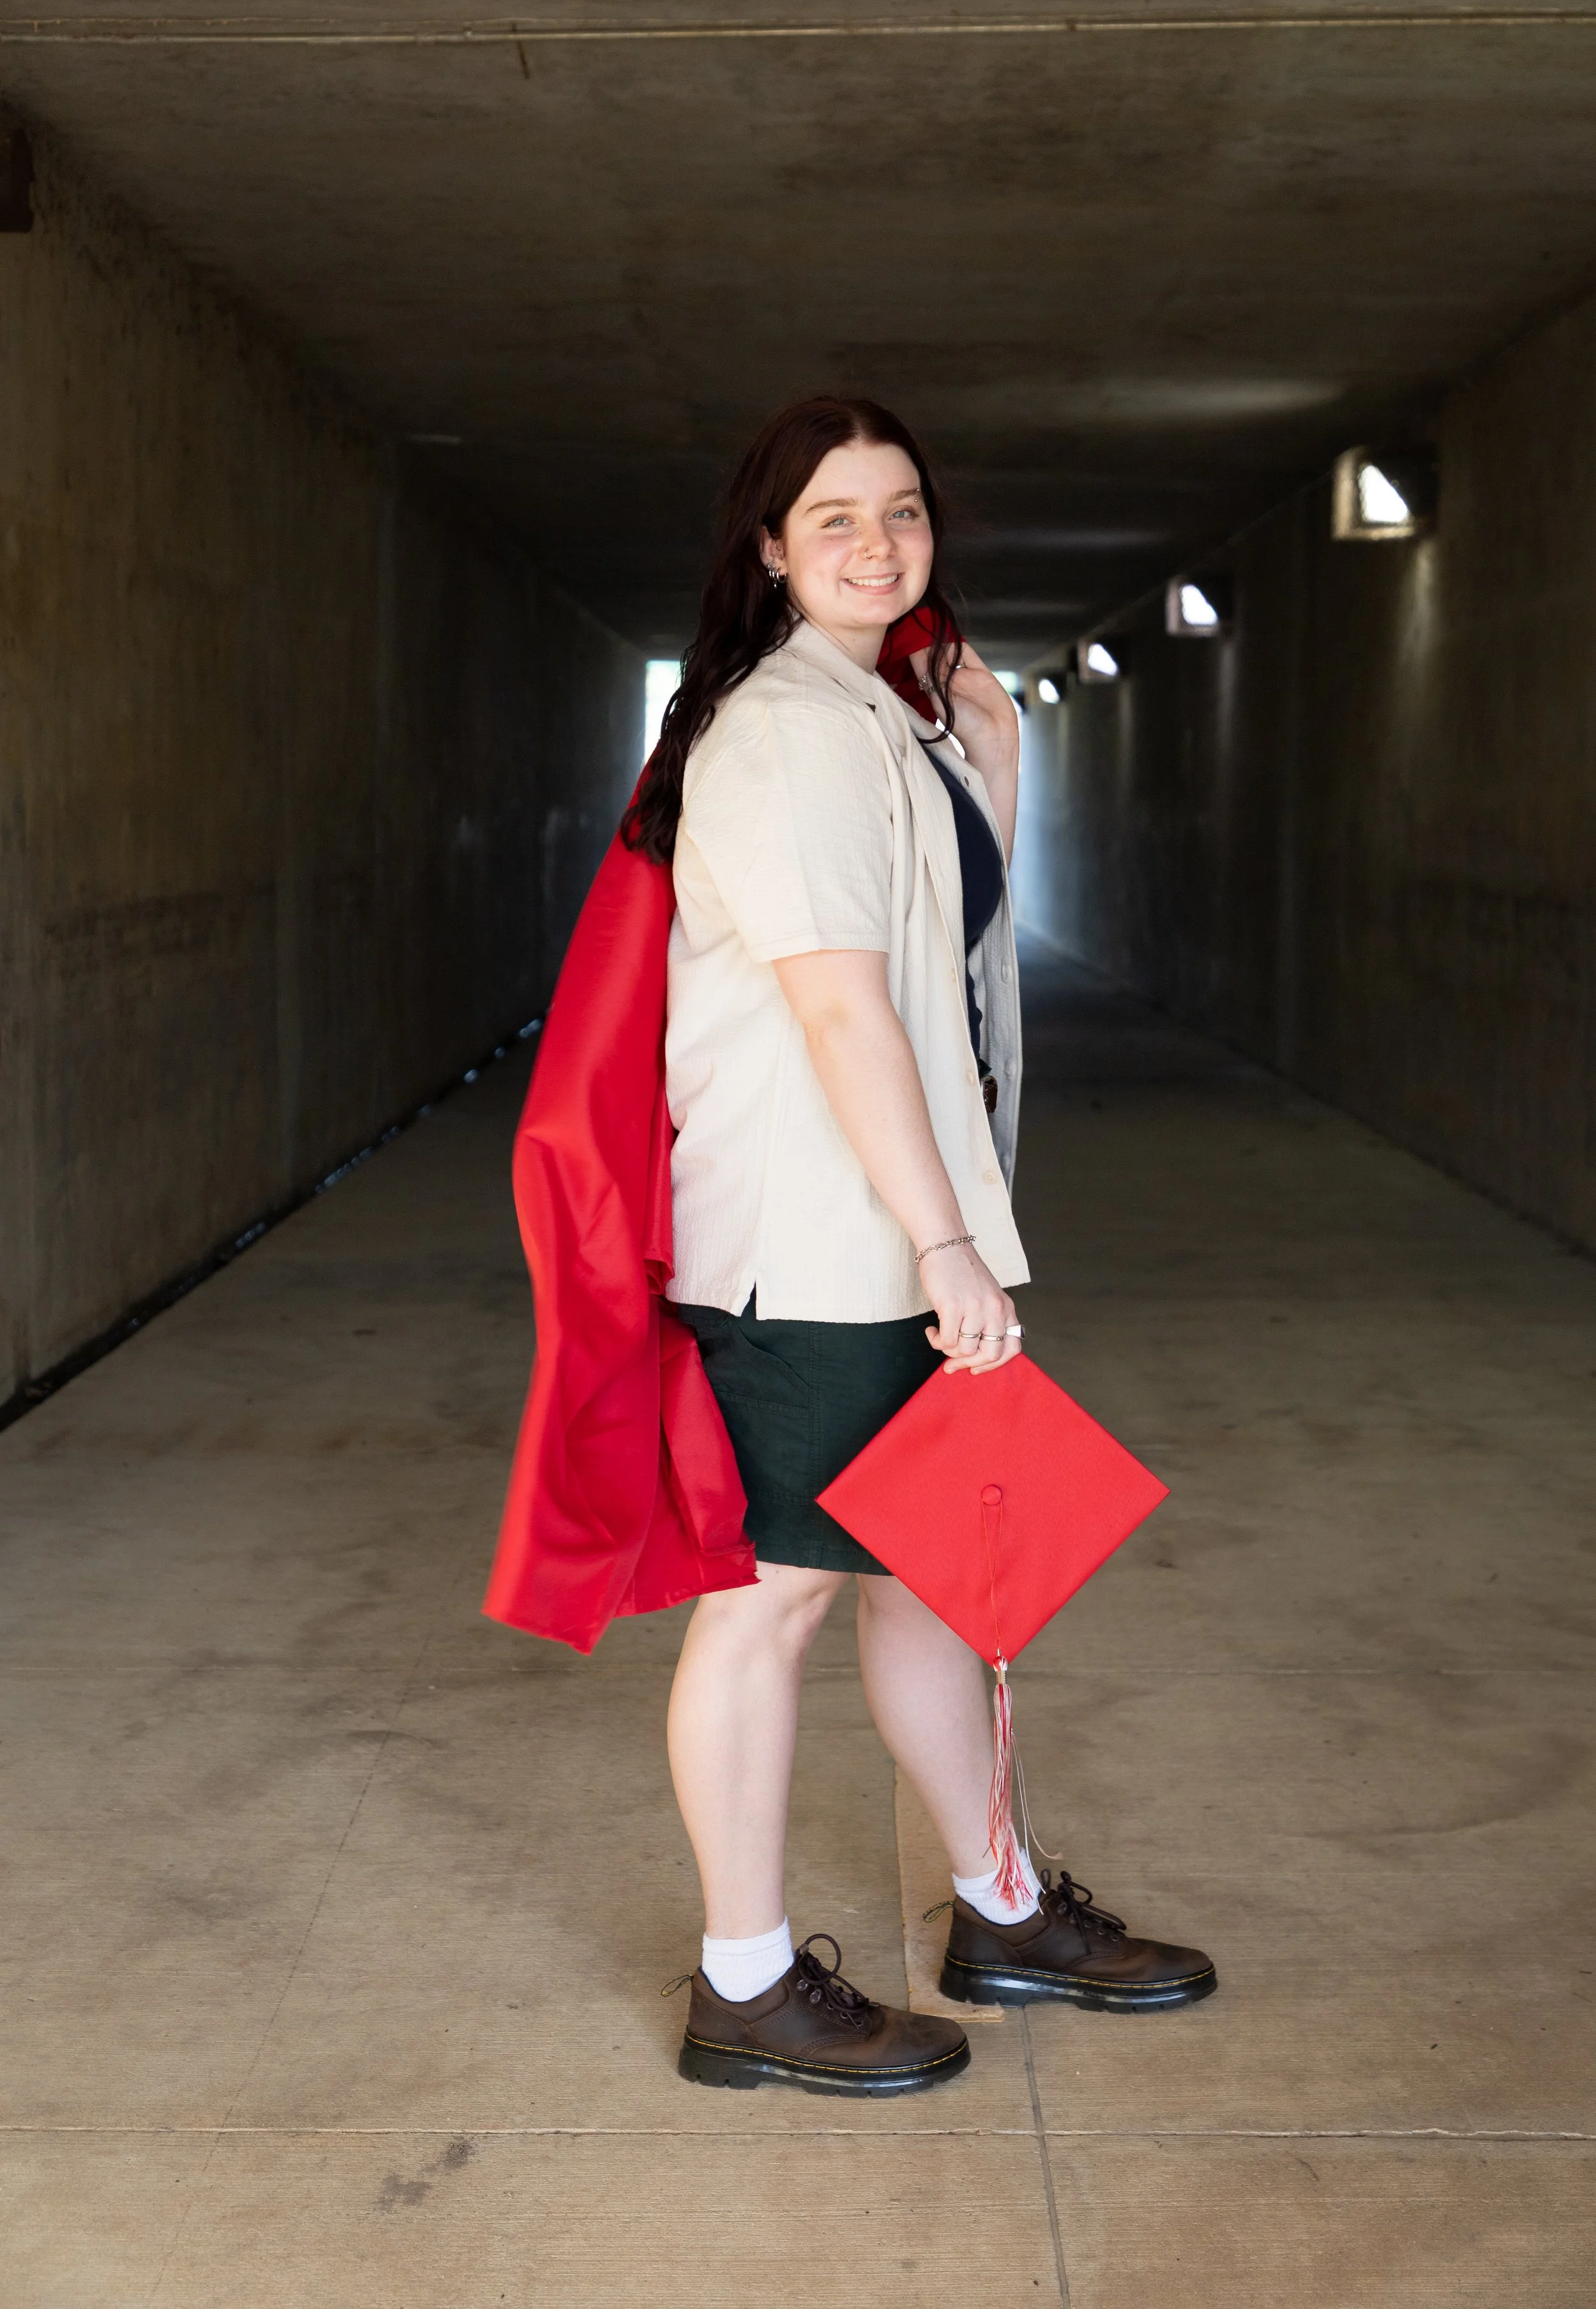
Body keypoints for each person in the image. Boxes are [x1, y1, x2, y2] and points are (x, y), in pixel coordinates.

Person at [627, 397, 1214, 2096]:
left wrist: (996, 775)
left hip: (889, 1236)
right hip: (816, 1247)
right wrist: (944, 1238)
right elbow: (837, 1003)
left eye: (900, 512)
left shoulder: (883, 717)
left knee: (935, 1574)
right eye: (832, 519)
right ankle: (741, 1982)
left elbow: (948, 967)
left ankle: (1001, 1905)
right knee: (774, 1599)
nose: (875, 543)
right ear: (766, 549)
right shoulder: (786, 730)